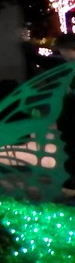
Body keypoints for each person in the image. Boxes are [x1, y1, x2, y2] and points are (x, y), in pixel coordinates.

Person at [54, 33, 75, 197]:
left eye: (63, 51)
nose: (62, 55)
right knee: (70, 149)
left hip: (71, 118)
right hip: (68, 120)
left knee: (72, 149)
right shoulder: (67, 69)